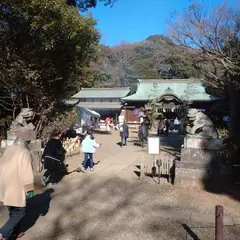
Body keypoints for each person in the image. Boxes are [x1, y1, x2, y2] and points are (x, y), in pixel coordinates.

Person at [0, 128, 35, 240]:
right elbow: (26, 173)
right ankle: (2, 233)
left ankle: (14, 233)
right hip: (15, 185)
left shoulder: (8, 149)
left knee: (12, 211)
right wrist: (29, 189)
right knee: (19, 212)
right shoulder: (24, 152)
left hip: (4, 184)